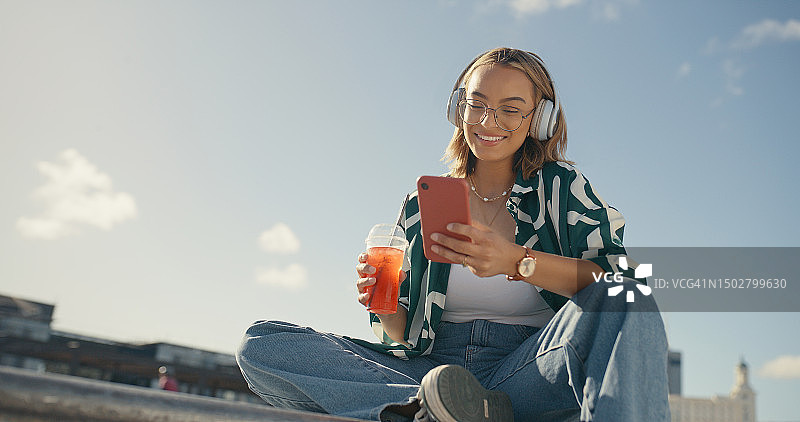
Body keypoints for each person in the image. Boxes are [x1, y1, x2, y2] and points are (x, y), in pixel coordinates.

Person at [236, 47, 669, 421]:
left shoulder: (561, 189)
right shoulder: (421, 205)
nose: (488, 120)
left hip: (526, 371)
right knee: (263, 343)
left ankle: (441, 412)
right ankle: (435, 409)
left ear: (540, 118)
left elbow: (620, 287)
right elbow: (403, 334)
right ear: (457, 109)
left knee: (626, 304)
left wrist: (517, 262)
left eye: (511, 108)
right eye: (476, 104)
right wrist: (383, 305)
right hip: (427, 372)